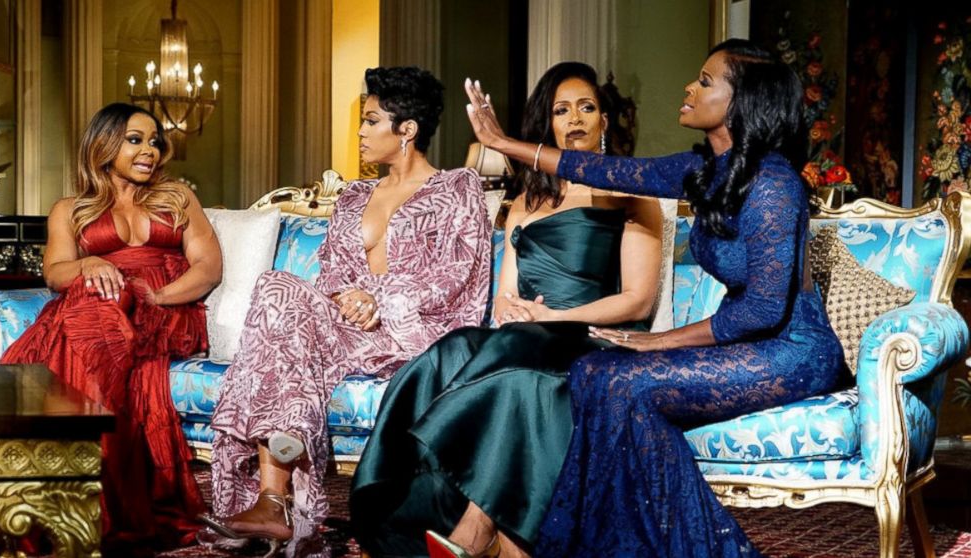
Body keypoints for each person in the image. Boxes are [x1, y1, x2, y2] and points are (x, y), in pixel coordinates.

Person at [462, 39, 845, 557]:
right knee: (592, 373)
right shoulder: (705, 169)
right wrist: (504, 143)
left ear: (741, 101)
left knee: (621, 384)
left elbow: (763, 310)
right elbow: (600, 171)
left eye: (705, 82)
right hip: (748, 344)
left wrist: (661, 341)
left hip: (792, 351)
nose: (689, 88)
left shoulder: (774, 184)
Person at [350, 62, 664, 558]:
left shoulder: (629, 194)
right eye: (561, 110)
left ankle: (479, 532)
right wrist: (510, 307)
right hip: (529, 335)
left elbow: (638, 301)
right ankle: (406, 515)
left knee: (516, 372)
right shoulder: (526, 201)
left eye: (586, 108)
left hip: (595, 339)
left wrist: (551, 319)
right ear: (549, 123)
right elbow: (506, 294)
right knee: (451, 350)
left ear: (604, 121)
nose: (574, 119)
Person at [199, 66, 492, 557]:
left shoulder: (457, 189)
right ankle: (273, 497)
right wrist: (347, 298)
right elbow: (333, 269)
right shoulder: (355, 196)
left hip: (415, 329)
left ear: (407, 129)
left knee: (283, 332)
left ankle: (276, 499)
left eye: (371, 121)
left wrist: (380, 300)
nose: (359, 132)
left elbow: (458, 276)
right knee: (277, 289)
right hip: (348, 326)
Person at [0, 102, 223, 553]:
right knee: (95, 304)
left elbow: (208, 266)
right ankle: (89, 493)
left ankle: (80, 496)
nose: (149, 151)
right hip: (103, 312)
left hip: (166, 309)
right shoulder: (70, 209)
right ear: (103, 146)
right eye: (135, 140)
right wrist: (90, 263)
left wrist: (157, 296)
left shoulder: (177, 197)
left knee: (88, 316)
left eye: (154, 141)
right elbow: (55, 273)